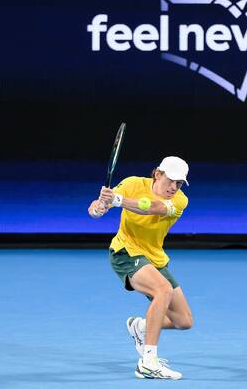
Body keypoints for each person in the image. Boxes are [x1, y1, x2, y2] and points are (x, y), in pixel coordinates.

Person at [87, 156, 193, 380]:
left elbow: (151, 208)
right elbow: (99, 206)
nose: (174, 187)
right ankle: (148, 362)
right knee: (162, 290)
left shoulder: (180, 201)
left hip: (154, 258)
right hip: (125, 252)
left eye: (179, 183)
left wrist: (118, 200)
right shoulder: (132, 184)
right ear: (157, 174)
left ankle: (141, 327)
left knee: (184, 321)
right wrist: (98, 207)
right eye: (171, 180)